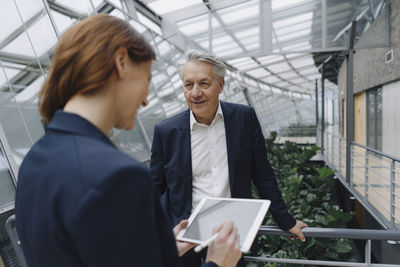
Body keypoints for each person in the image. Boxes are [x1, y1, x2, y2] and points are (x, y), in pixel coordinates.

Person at [15, 14, 242, 267]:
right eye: (147, 79)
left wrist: (160, 248)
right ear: (121, 62)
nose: (146, 100)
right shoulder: (118, 177)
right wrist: (218, 263)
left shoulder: (35, 161)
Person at [150, 50, 308, 266]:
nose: (195, 93)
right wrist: (159, 235)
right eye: (188, 85)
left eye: (204, 84)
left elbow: (262, 174)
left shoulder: (244, 119)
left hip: (232, 237)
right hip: (184, 240)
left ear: (221, 85)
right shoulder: (165, 131)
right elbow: (156, 189)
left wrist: (286, 220)